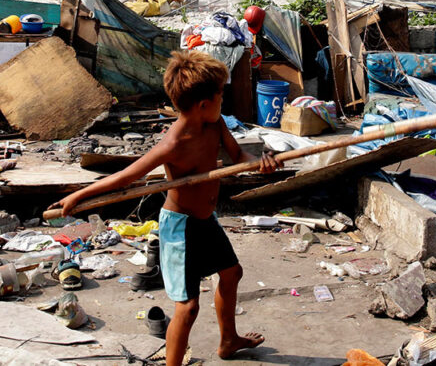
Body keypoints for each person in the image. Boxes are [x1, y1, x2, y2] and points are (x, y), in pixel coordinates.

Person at [53, 51, 280, 365]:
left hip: (205, 220)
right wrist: (78, 196)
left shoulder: (215, 126)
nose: (223, 101)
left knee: (231, 273)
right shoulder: (173, 143)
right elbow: (126, 176)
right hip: (179, 228)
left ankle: (228, 340)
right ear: (204, 104)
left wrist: (259, 164)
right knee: (187, 308)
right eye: (221, 95)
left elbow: (238, 155)